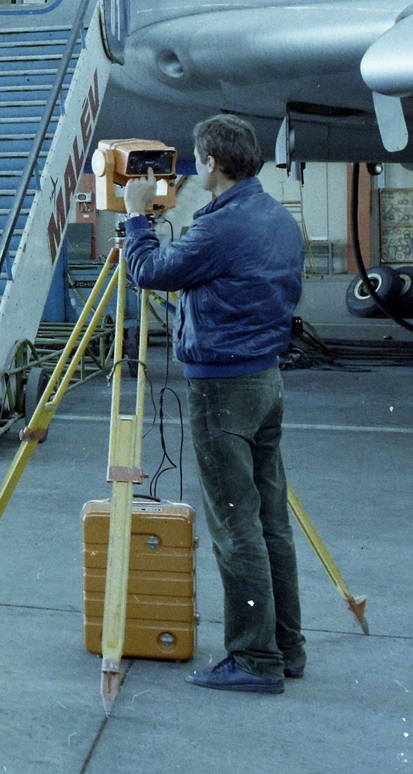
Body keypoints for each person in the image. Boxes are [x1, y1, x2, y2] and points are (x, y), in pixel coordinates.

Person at [121, 114, 305, 695]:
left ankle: (254, 659)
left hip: (223, 387)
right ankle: (286, 647)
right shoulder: (276, 216)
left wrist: (133, 215)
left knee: (234, 526)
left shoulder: (222, 227)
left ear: (209, 163)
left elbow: (149, 271)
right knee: (269, 521)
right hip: (265, 381)